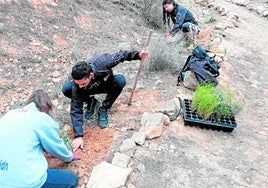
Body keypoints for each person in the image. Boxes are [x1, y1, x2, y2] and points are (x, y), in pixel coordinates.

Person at [62, 49, 148, 151]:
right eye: (78, 83)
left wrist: (138, 55)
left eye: (82, 83)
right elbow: (76, 109)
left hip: (104, 84)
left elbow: (122, 55)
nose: (79, 86)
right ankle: (91, 103)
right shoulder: (78, 85)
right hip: (88, 90)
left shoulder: (103, 62)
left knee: (120, 80)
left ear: (91, 75)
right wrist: (78, 136)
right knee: (67, 89)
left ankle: (104, 108)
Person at [0, 90, 79, 188]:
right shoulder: (41, 118)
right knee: (71, 179)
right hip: (26, 182)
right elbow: (56, 148)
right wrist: (69, 156)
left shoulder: (9, 115)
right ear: (47, 106)